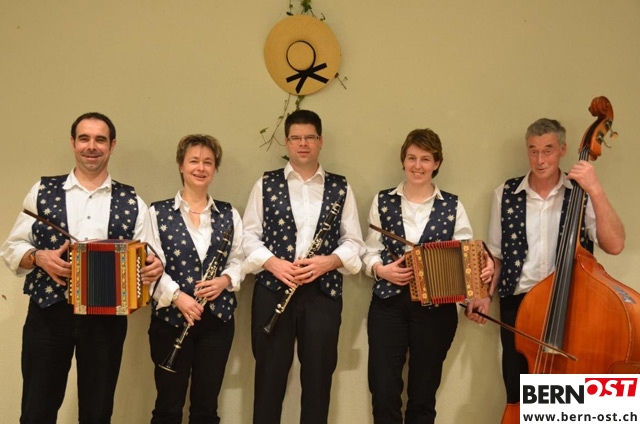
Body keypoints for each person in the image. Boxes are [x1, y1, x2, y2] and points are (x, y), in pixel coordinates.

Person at [0, 112, 164, 424]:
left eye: (100, 139)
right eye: (84, 138)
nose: (92, 146)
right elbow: (11, 247)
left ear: (112, 146)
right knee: (36, 410)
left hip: (106, 320)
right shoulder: (42, 191)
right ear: (73, 143)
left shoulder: (132, 201)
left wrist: (153, 268)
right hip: (49, 313)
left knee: (97, 412)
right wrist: (38, 257)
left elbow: (149, 258)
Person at [466, 118, 625, 412]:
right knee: (518, 391)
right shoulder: (505, 194)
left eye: (548, 150)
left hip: (570, 305)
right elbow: (497, 256)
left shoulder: (581, 192)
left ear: (563, 150)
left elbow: (615, 245)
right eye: (534, 150)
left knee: (569, 397)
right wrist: (484, 295)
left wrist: (596, 189)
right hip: (519, 306)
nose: (540, 160)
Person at [362, 128, 494, 424]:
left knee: (423, 395)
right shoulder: (382, 200)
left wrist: (484, 269)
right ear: (403, 161)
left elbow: (467, 257)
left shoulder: (453, 205)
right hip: (388, 306)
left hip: (436, 311)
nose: (417, 165)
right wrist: (380, 270)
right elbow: (369, 251)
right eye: (411, 158)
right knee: (383, 391)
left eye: (425, 159)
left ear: (437, 163)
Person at [242, 109, 365, 424]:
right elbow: (248, 237)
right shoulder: (265, 184)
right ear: (287, 142)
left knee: (318, 380)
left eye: (310, 137)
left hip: (322, 293)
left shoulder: (340, 187)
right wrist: (274, 264)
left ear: (321, 141)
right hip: (273, 289)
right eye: (296, 138)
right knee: (268, 380)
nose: (303, 144)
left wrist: (329, 261)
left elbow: (354, 241)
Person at [147, 134, 244, 424]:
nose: (200, 168)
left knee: (206, 407)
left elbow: (240, 259)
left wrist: (225, 280)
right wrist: (178, 297)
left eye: (208, 162)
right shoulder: (157, 212)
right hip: (170, 320)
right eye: (193, 161)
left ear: (215, 168)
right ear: (181, 165)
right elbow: (149, 267)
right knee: (167, 406)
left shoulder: (229, 213)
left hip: (217, 322)